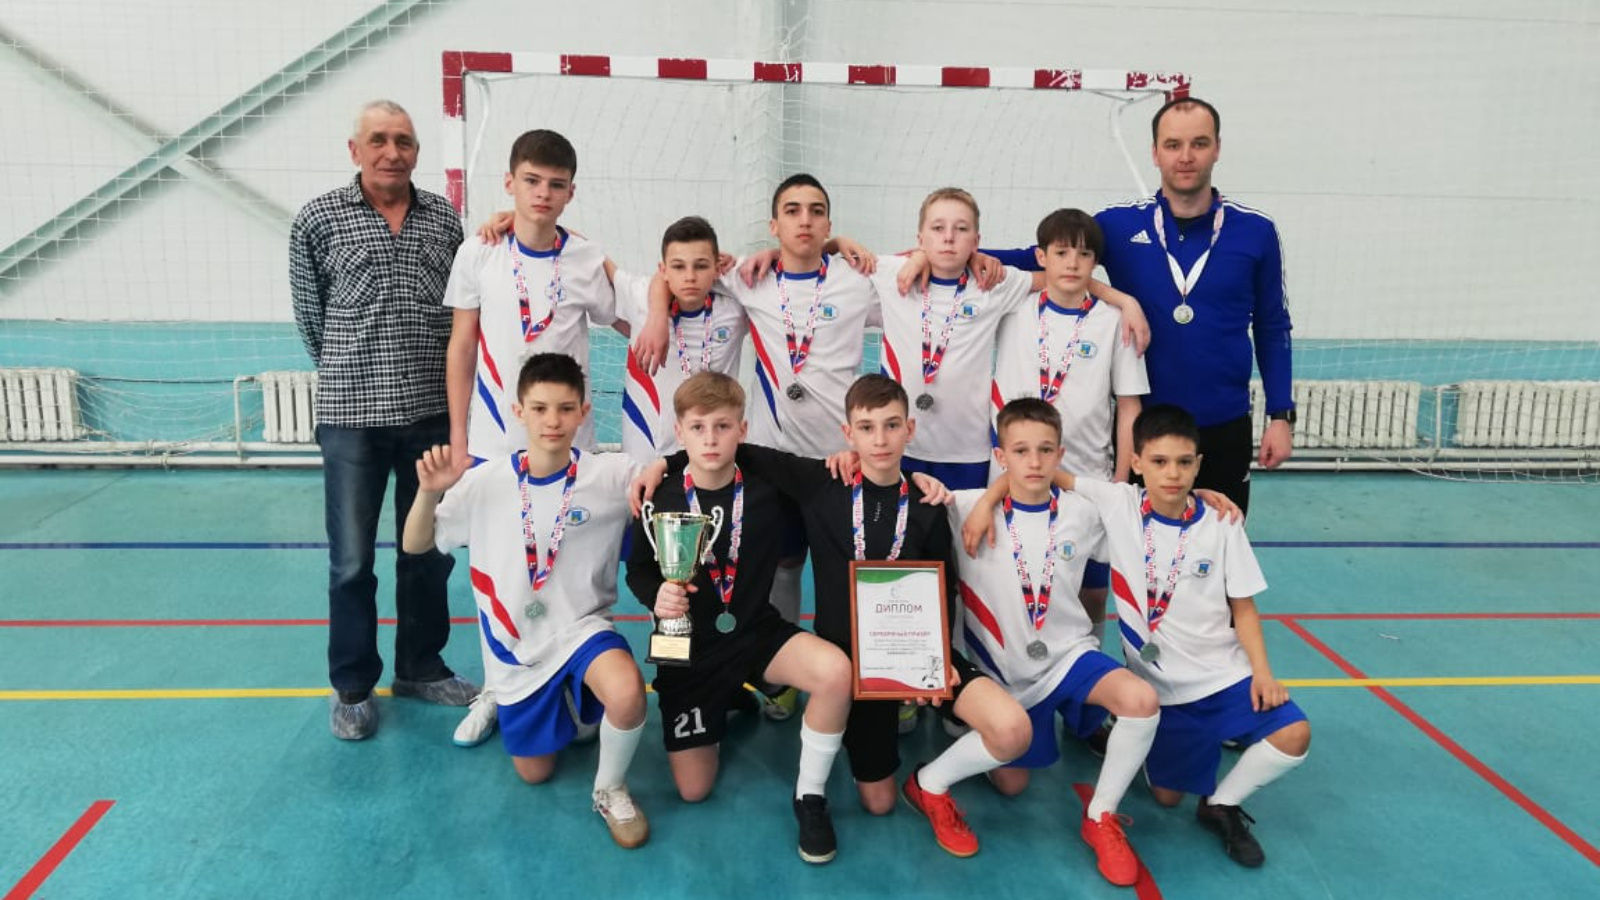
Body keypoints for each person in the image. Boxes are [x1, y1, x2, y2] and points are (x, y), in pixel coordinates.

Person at [649, 375, 1033, 860]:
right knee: (877, 802)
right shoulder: (820, 484)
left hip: (916, 658)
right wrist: (663, 463)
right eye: (866, 428)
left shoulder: (928, 504)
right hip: (849, 666)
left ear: (910, 429)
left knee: (1013, 735)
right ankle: (814, 790)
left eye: (891, 425)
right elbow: (729, 448)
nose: (880, 439)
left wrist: (936, 660)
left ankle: (929, 782)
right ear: (848, 433)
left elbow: (945, 588)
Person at [969, 404, 1310, 868]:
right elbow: (1037, 472)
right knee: (1166, 797)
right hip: (1161, 689)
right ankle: (1153, 747)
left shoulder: (1222, 524)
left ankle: (1221, 804)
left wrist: (1263, 673)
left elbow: (1244, 608)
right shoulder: (1118, 503)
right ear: (1136, 463)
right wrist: (986, 502)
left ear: (1198, 465)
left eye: (1184, 463)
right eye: (1160, 461)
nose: (1173, 473)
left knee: (1295, 733)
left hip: (1223, 675)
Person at [983, 97, 1294, 516]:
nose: (1185, 157)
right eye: (1173, 145)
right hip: (1144, 432)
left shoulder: (1256, 231)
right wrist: (939, 256)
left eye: (1199, 143)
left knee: (1223, 542)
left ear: (1218, 148)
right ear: (1154, 152)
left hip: (1224, 423)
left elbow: (1273, 327)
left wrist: (1280, 415)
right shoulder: (1119, 225)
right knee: (1141, 550)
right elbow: (1044, 259)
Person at [404, 353, 652, 849]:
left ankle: (609, 789)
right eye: (539, 408)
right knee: (535, 773)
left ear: (583, 413)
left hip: (582, 631)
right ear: (518, 412)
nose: (552, 421)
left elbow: (667, 473)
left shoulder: (611, 474)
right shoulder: (483, 482)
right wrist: (428, 493)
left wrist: (664, 463)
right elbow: (416, 544)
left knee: (628, 692)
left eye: (565, 408)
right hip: (516, 650)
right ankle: (526, 700)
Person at [289, 99, 478, 740]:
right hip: (352, 418)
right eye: (378, 139)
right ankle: (351, 686)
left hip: (430, 414)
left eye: (403, 140)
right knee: (351, 561)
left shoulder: (443, 219)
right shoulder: (318, 219)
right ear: (355, 149)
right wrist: (354, 370)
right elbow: (312, 321)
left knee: (427, 552)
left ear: (417, 151)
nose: (391, 152)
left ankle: (420, 667)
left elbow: (462, 304)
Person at [624, 372, 853, 863]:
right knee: (694, 791)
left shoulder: (769, 484)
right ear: (679, 432)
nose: (711, 439)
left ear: (742, 430)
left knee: (836, 673)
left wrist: (910, 478)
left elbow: (849, 475)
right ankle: (726, 695)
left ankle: (810, 797)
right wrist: (656, 596)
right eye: (698, 428)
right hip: (688, 650)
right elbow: (639, 570)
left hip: (755, 633)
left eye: (723, 427)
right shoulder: (658, 497)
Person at [951, 398, 1160, 886]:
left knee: (1141, 701)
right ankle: (980, 727)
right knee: (1012, 784)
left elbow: (1155, 511)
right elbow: (898, 490)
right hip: (1003, 671)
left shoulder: (1084, 513)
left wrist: (1206, 499)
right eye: (1021, 451)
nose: (1035, 461)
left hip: (1069, 656)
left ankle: (1101, 816)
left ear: (1061, 454)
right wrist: (987, 498)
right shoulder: (962, 507)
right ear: (1000, 456)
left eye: (1046, 450)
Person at [991, 209, 1148, 652]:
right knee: (1016, 577)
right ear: (1041, 257)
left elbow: (1129, 406)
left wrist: (1120, 480)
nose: (1073, 264)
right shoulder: (1012, 303)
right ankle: (1006, 669)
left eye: (1084, 254)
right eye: (1061, 253)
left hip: (1086, 474)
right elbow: (957, 261)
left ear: (1096, 262)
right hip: (1013, 472)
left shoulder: (1114, 321)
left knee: (1091, 590)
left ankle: (1087, 668)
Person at [444, 129, 625, 465]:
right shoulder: (477, 252)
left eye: (556, 184)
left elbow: (629, 323)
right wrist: (458, 437)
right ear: (509, 183)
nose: (543, 193)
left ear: (570, 193)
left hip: (569, 442)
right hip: (493, 441)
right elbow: (462, 347)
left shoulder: (585, 257)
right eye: (531, 181)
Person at [869, 188, 1034, 492]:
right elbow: (824, 260)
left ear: (976, 241)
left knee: (965, 524)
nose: (948, 238)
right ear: (920, 239)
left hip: (966, 451)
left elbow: (1058, 277)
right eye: (937, 228)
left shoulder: (992, 284)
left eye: (961, 229)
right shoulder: (893, 274)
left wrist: (1121, 300)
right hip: (899, 446)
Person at [615, 217, 748, 464]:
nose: (690, 277)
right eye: (678, 267)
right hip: (647, 454)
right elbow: (590, 258)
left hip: (711, 451)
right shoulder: (640, 299)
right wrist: (657, 315)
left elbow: (785, 269)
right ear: (663, 270)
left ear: (717, 267)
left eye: (701, 266)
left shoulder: (736, 308)